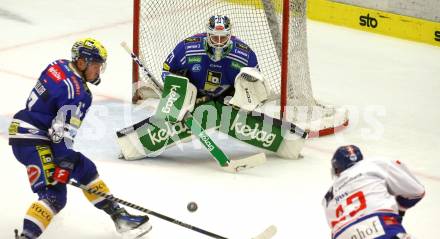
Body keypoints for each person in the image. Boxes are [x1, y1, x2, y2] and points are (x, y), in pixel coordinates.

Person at [8, 38, 151, 238]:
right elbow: (62, 135)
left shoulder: (57, 65)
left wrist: (66, 161)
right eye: (95, 65)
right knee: (55, 196)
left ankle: (120, 217)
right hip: (32, 140)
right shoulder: (78, 93)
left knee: (84, 167)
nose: (98, 71)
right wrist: (64, 162)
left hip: (29, 131)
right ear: (82, 62)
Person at [322, 145, 425, 239]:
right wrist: (400, 210)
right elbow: (417, 191)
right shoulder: (374, 164)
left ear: (336, 169)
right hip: (383, 228)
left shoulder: (327, 199)